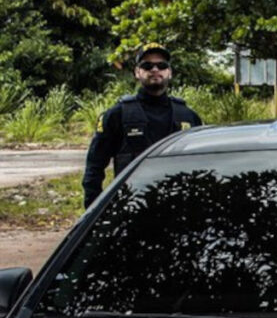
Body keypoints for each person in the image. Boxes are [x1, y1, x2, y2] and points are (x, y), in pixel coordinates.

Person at [82, 43, 203, 207]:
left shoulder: (189, 116)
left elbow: (201, 167)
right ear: (137, 72)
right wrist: (94, 210)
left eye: (161, 65)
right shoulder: (117, 114)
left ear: (169, 72)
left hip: (178, 207)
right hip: (132, 206)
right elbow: (94, 167)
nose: (155, 69)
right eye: (147, 65)